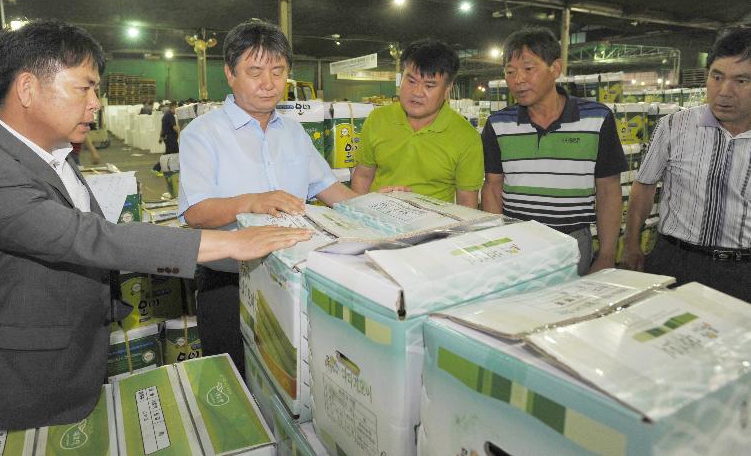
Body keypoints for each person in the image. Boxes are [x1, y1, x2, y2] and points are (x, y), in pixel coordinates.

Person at [0, 19, 312, 431]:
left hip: (72, 356)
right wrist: (231, 243)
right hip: (29, 378)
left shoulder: (48, 152)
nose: (96, 103)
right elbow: (86, 236)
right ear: (27, 88)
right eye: (84, 87)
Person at [178, 20, 356, 371]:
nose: (268, 84)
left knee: (288, 381)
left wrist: (382, 206)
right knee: (233, 381)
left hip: (292, 279)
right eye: (254, 71)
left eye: (278, 71)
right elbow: (195, 212)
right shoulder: (203, 133)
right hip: (228, 281)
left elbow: (332, 191)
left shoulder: (293, 133)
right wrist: (252, 201)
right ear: (230, 73)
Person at [481, 27, 626, 275]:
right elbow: (493, 186)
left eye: (529, 69)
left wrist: (607, 254)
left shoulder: (597, 119)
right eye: (510, 72)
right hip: (517, 241)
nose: (518, 80)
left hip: (572, 243)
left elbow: (609, 191)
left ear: (555, 69)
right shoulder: (498, 124)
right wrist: (499, 242)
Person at [623, 28, 751, 302]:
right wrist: (631, 244)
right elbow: (644, 187)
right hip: (675, 261)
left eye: (741, 80)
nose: (724, 91)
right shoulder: (674, 126)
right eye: (717, 77)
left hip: (743, 272)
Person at [351, 39, 484, 206]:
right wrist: (357, 216)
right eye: (411, 81)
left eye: (429, 85)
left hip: (434, 227)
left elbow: (467, 201)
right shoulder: (378, 119)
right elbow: (363, 176)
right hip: (377, 220)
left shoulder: (466, 137)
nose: (417, 92)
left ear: (448, 88)